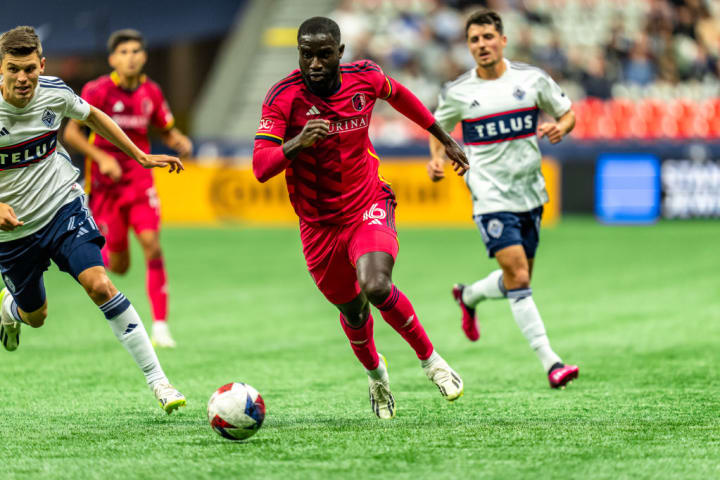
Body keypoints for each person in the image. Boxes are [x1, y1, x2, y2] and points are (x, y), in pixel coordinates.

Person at [253, 17, 469, 419]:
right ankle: (377, 376)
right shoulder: (282, 98)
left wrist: (442, 136)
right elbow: (261, 167)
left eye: (323, 54)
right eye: (306, 54)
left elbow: (400, 95)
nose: (314, 63)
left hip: (365, 203)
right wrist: (298, 142)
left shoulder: (365, 79)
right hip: (317, 225)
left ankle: (431, 360)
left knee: (376, 284)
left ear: (340, 53)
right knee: (353, 311)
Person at [0, 26, 186, 413]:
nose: (23, 79)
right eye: (13, 69)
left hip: (61, 207)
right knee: (36, 317)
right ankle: (9, 311)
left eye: (30, 69)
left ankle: (160, 382)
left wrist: (139, 155)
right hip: (14, 233)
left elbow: (94, 116)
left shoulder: (54, 92)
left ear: (42, 64)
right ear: (1, 67)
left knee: (100, 284)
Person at [427, 10, 579, 389]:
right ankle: (552, 362)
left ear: (503, 40)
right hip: (489, 194)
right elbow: (437, 127)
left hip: (530, 192)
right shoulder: (459, 91)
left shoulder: (531, 80)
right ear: (468, 46)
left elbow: (568, 112)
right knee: (519, 276)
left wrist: (560, 127)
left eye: (488, 37)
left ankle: (469, 295)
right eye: (474, 40)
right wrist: (436, 157)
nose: (482, 45)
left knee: (518, 279)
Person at [64, 29, 192, 348]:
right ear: (112, 59)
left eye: (135, 51)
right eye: (123, 52)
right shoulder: (97, 90)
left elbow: (166, 128)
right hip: (106, 187)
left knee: (152, 245)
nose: (130, 57)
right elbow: (72, 134)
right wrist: (99, 158)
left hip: (139, 183)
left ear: (144, 56)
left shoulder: (152, 92)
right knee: (119, 265)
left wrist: (178, 141)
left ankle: (161, 326)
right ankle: (88, 258)